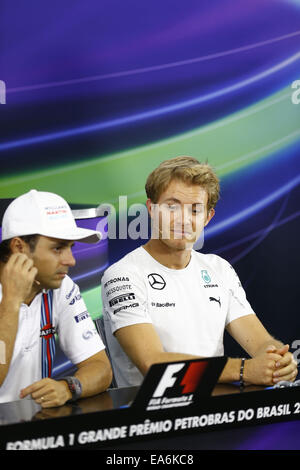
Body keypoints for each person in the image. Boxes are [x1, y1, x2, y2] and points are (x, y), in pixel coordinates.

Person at [101, 156, 297, 388]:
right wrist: (243, 370)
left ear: (208, 217)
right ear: (151, 209)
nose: (183, 219)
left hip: (215, 414)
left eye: (195, 210)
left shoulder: (219, 269)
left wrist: (277, 360)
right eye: (172, 206)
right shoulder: (122, 275)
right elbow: (152, 363)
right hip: (149, 420)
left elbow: (260, 342)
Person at [0, 189, 112, 407]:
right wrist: (12, 302)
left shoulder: (62, 287)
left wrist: (69, 387)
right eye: (57, 248)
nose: (71, 261)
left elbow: (101, 367)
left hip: (33, 430)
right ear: (18, 247)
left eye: (70, 247)